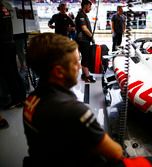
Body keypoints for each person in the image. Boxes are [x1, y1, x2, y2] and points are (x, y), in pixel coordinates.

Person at [23, 33, 124, 167]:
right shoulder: (72, 110)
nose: (79, 67)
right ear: (59, 72)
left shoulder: (31, 99)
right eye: (76, 62)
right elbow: (115, 152)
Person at [0, 0, 26, 109]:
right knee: (13, 72)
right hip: (9, 43)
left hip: (3, 45)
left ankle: (15, 100)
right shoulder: (5, 7)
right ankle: (21, 98)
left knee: (9, 74)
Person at [75, 0, 96, 83]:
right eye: (89, 6)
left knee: (85, 57)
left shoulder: (83, 15)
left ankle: (84, 74)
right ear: (85, 6)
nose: (90, 8)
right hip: (83, 40)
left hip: (84, 40)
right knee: (86, 58)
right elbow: (84, 28)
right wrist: (91, 37)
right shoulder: (81, 15)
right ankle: (87, 77)